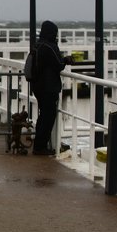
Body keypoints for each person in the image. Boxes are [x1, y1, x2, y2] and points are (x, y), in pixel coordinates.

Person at [31, 20, 74, 155]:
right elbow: (58, 64)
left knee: (42, 116)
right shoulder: (50, 47)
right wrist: (66, 59)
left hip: (37, 86)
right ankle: (40, 147)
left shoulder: (37, 45)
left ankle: (39, 145)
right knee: (48, 117)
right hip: (48, 88)